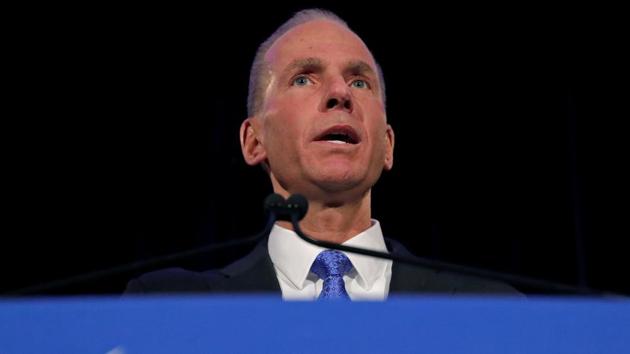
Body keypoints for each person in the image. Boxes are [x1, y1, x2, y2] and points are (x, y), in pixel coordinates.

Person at [125, 9, 519, 299]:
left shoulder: (486, 307)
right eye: (303, 78)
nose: (340, 94)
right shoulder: (172, 305)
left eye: (359, 81)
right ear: (253, 141)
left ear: (388, 144)